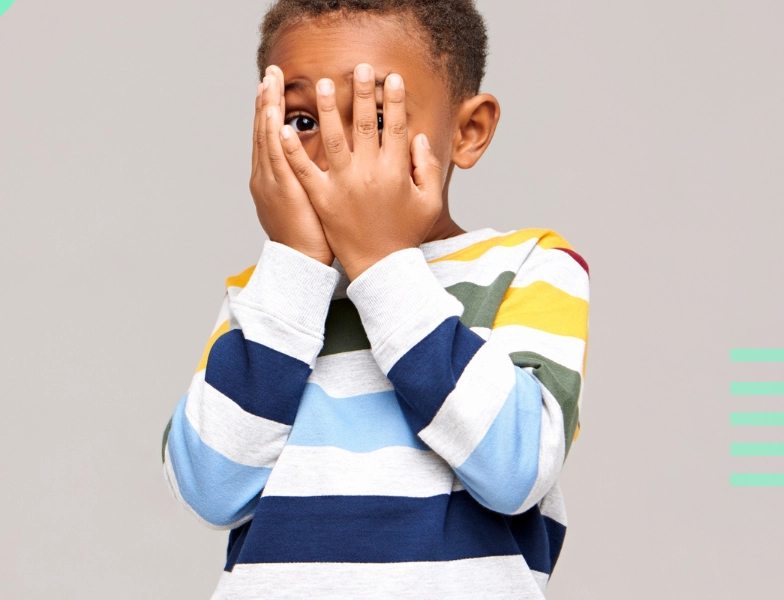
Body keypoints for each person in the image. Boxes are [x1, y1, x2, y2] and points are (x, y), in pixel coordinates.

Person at [160, 1, 590, 597]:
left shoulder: (529, 267)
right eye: (304, 120)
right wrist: (296, 269)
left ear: (467, 131)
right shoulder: (268, 294)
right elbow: (210, 487)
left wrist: (381, 263)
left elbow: (515, 469)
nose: (336, 148)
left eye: (375, 118)